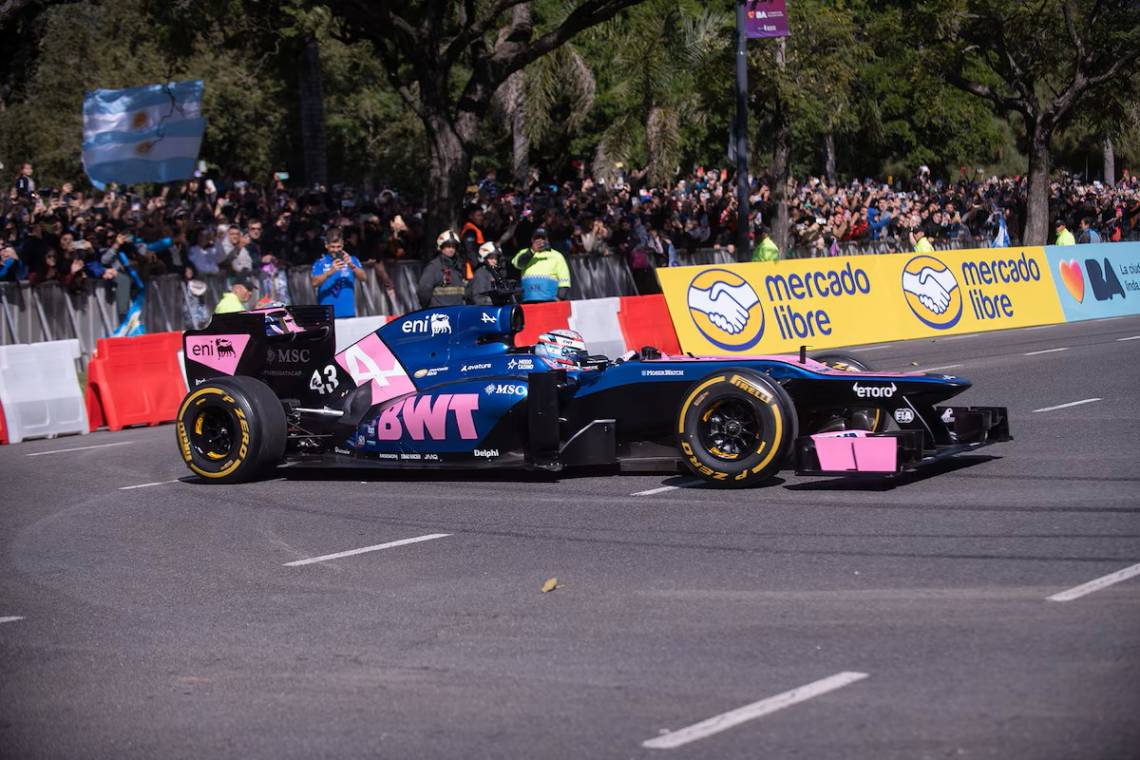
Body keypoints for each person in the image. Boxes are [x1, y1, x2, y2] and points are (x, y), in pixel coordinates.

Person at [310, 227, 366, 318]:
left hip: (348, 313)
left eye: (338, 246)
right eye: (332, 247)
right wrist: (330, 272)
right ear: (326, 245)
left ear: (343, 245)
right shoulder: (320, 263)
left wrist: (351, 265)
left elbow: (364, 278)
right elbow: (314, 283)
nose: (335, 250)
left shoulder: (352, 260)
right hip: (327, 315)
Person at [512, 228, 571, 302]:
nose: (540, 240)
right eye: (537, 238)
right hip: (527, 300)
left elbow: (564, 280)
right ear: (532, 240)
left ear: (547, 240)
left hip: (550, 301)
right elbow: (518, 264)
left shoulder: (557, 255)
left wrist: (560, 297)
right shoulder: (524, 252)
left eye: (543, 238)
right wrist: (532, 251)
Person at [417, 230, 469, 307]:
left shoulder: (458, 266)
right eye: (448, 246)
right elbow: (424, 290)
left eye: (453, 246)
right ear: (440, 247)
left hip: (457, 311)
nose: (451, 249)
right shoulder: (434, 267)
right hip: (439, 313)